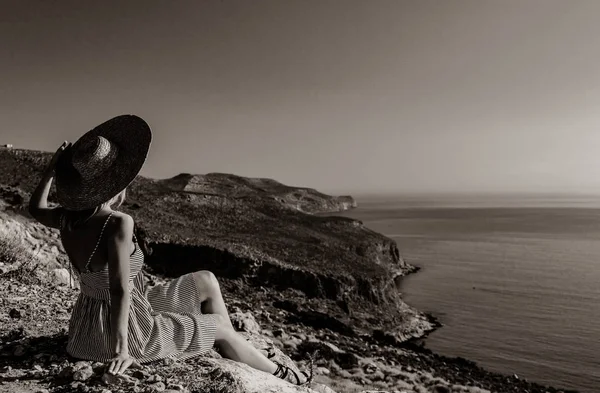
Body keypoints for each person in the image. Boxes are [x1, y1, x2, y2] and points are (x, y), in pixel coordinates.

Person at [28, 115, 311, 385]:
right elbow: (119, 290)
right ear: (116, 182)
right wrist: (122, 351)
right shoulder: (117, 223)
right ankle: (283, 374)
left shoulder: (67, 218)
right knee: (219, 326)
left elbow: (35, 209)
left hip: (86, 329)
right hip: (123, 333)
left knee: (206, 280)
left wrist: (51, 171)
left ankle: (233, 347)